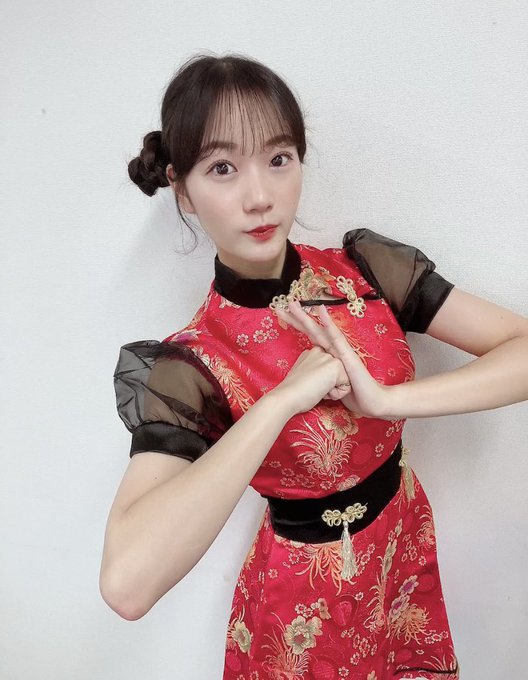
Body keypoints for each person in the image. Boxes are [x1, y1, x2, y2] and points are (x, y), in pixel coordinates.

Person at [99, 53, 528, 680]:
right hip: (302, 605)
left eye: (279, 159)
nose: (259, 197)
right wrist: (280, 402)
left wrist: (387, 400)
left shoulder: (367, 271)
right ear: (181, 187)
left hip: (400, 553)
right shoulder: (194, 361)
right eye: (222, 169)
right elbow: (127, 586)